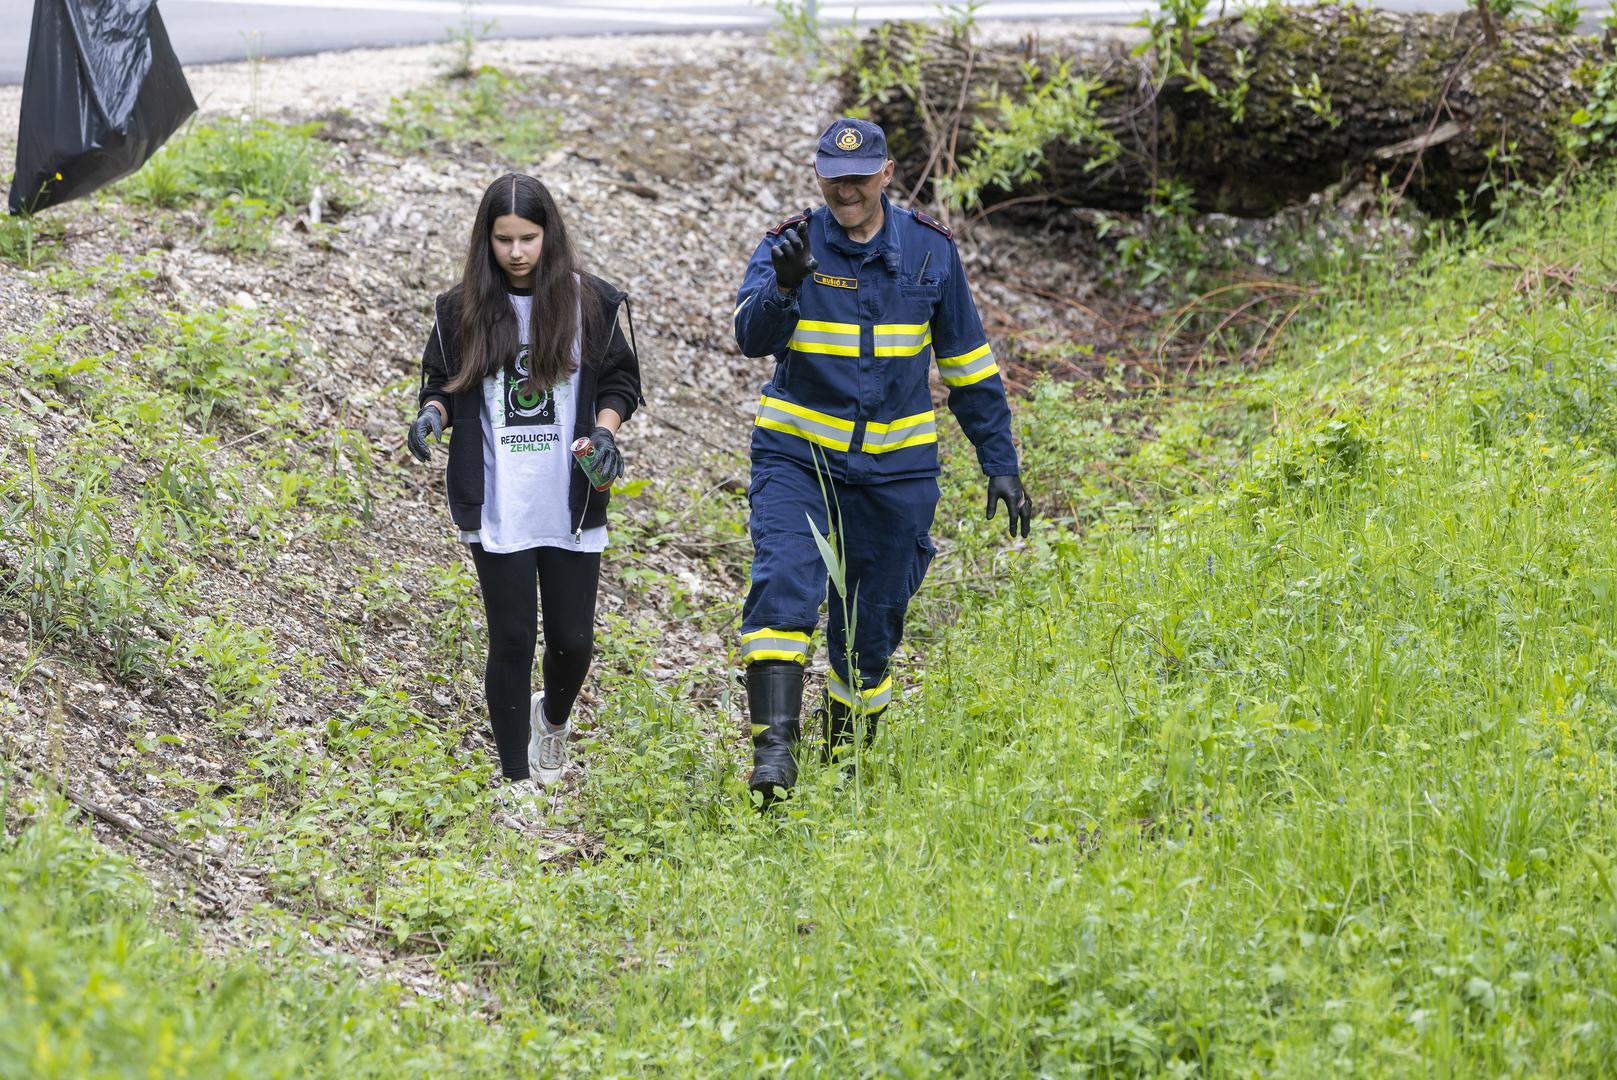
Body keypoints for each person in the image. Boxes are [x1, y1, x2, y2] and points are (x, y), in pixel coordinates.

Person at [732, 117, 1033, 804]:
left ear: (886, 174)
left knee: (871, 626)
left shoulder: (930, 254)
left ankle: (844, 757)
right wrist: (781, 290)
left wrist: (1000, 462)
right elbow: (749, 339)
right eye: (834, 178)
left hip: (896, 473)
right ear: (817, 175)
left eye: (860, 177)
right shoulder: (789, 243)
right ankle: (774, 754)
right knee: (783, 584)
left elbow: (967, 366)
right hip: (798, 457)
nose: (847, 189)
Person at [407, 173, 643, 809]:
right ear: (486, 240)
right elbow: (443, 384)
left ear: (550, 236)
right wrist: (432, 414)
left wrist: (604, 429)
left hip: (570, 495)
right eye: (503, 239)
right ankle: (514, 785)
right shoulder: (462, 309)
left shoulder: (588, 302)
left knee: (573, 642)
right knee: (511, 637)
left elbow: (621, 381)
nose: (516, 252)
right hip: (499, 499)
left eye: (529, 238)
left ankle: (553, 721)